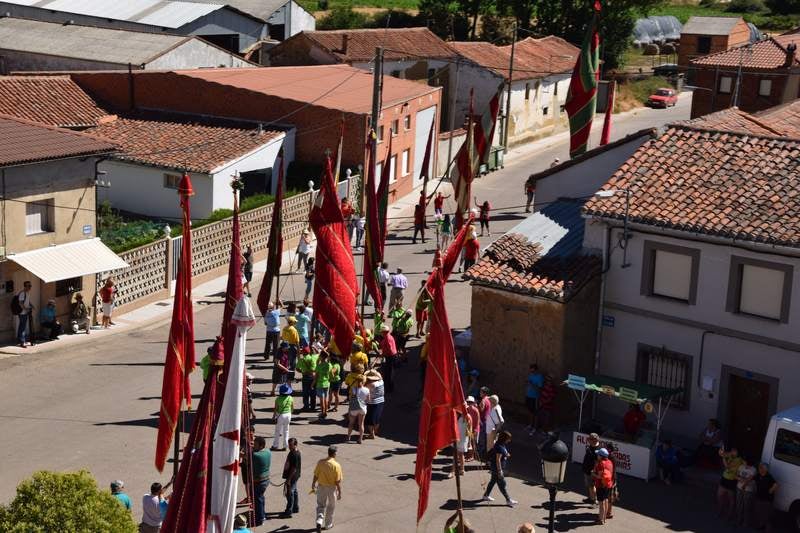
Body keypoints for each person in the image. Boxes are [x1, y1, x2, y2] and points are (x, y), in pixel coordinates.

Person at [482, 430, 517, 507]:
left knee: (492, 482)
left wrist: (506, 455)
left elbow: (501, 454)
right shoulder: (499, 447)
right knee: (502, 485)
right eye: (508, 438)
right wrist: (500, 471)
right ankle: (508, 500)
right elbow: (498, 459)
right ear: (504, 438)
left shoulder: (500, 444)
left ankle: (486, 495)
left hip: (495, 468)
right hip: (497, 469)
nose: (509, 440)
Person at [312, 445, 343, 533]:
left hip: (321, 486)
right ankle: (328, 524)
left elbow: (316, 475)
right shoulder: (336, 465)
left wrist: (313, 483)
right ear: (334, 454)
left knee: (321, 505)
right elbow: (337, 481)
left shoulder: (321, 462)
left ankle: (319, 520)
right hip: (331, 488)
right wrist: (340, 492)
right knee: (331, 506)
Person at [718, 447, 744, 520]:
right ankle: (720, 511)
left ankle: (729, 515)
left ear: (738, 452)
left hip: (732, 480)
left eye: (734, 451)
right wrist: (721, 452)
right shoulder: (730, 455)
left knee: (731, 499)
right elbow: (722, 454)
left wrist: (723, 457)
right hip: (724, 478)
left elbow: (727, 467)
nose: (732, 452)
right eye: (732, 450)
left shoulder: (739, 460)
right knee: (720, 496)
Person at [252, 436, 272, 526]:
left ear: (261, 446)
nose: (253, 446)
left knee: (257, 500)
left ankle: (259, 519)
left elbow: (249, 457)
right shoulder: (268, 452)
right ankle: (263, 515)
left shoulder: (255, 455)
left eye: (255, 445)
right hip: (266, 480)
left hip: (259, 481)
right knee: (261, 498)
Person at [593, 448, 615, 525]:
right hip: (608, 485)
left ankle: (601, 520)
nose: (597, 456)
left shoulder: (600, 464)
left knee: (601, 503)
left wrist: (593, 474)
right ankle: (604, 518)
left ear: (601, 456)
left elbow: (599, 476)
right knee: (605, 500)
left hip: (601, 485)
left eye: (598, 454)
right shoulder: (610, 462)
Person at [753, 462, 778, 531]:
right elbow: (751, 478)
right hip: (759, 498)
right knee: (759, 514)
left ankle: (767, 529)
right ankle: (761, 526)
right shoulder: (758, 475)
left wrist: (771, 490)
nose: (759, 469)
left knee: (767, 517)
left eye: (761, 468)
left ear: (765, 470)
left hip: (767, 501)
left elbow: (776, 484)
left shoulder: (769, 477)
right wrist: (745, 483)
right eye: (759, 467)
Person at [281, 437, 302, 518]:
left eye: (291, 445)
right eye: (289, 445)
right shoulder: (293, 452)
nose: (289, 446)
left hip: (292, 477)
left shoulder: (294, 454)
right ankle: (295, 508)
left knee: (290, 493)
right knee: (295, 491)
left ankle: (289, 511)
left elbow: (294, 468)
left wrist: (288, 479)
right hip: (295, 476)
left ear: (295, 445)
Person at [448, 408, 470, 478]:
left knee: (457, 454)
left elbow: (469, 430)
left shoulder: (468, 417)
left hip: (462, 438)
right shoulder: (458, 416)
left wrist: (469, 441)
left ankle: (452, 471)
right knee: (460, 454)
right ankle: (462, 470)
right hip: (457, 438)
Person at [347, 376, 369, 443]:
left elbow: (350, 399)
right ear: (364, 381)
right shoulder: (367, 390)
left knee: (351, 423)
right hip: (362, 408)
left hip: (354, 408)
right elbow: (368, 400)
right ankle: (360, 439)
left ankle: (348, 437)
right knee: (361, 424)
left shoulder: (354, 389)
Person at [735, 455, 756, 526]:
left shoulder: (753, 469)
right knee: (739, 504)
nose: (743, 461)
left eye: (744, 460)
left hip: (748, 490)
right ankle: (739, 519)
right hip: (739, 488)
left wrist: (742, 481)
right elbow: (736, 476)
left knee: (746, 506)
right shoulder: (741, 466)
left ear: (747, 461)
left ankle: (745, 521)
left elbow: (749, 479)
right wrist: (744, 481)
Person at [272, 383, 294, 451]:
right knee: (286, 431)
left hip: (280, 415)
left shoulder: (278, 399)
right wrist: (290, 413)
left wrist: (274, 416)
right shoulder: (290, 398)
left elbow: (276, 409)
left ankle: (275, 445)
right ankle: (285, 446)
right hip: (288, 415)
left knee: (277, 431)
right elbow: (292, 407)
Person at [364, 369, 385, 439]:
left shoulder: (371, 384)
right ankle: (375, 431)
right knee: (377, 418)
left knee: (370, 419)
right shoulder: (381, 381)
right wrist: (375, 373)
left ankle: (372, 434)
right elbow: (380, 376)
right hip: (381, 401)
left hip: (372, 403)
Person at [297, 347, 319, 412]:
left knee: (305, 393)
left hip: (305, 377)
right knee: (313, 392)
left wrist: (302, 372)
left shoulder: (302, 359)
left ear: (303, 352)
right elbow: (313, 370)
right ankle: (313, 406)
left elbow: (297, 368)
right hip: (312, 377)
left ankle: (306, 406)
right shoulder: (313, 358)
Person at [582, 433, 601, 504]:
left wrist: (594, 471)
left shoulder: (597, 450)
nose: (588, 440)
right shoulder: (592, 446)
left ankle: (594, 500)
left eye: (590, 439)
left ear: (594, 440)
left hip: (591, 471)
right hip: (588, 469)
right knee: (590, 486)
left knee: (591, 486)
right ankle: (591, 497)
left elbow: (597, 462)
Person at [525, 364, 544, 435]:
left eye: (533, 371)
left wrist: (531, 384)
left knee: (536, 412)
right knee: (530, 411)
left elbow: (540, 388)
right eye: (531, 371)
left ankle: (535, 428)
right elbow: (528, 383)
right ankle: (530, 425)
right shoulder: (531, 375)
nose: (532, 372)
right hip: (528, 395)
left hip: (535, 397)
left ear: (536, 370)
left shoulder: (540, 377)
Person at [313, 350, 332, 420]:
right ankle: (325, 411)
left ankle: (322, 413)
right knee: (326, 399)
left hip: (320, 384)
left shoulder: (319, 366)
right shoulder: (329, 365)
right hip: (327, 383)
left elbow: (316, 377)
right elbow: (331, 374)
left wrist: (312, 384)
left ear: (321, 357)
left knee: (321, 399)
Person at [14, 280, 33, 347]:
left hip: (24, 312)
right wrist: (26, 309)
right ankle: (22, 342)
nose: (30, 287)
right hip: (22, 313)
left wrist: (31, 305)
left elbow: (27, 301)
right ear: (25, 286)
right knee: (23, 327)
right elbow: (20, 303)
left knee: (21, 326)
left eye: (30, 286)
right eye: (29, 286)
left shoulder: (27, 293)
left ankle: (20, 340)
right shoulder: (22, 293)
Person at [477, 387, 491, 461]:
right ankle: (484, 453)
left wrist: (477, 407)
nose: (480, 393)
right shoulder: (489, 399)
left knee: (481, 438)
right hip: (487, 420)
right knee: (485, 438)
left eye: (481, 392)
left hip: (482, 420)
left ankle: (480, 454)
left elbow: (481, 410)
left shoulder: (483, 400)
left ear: (484, 393)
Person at [465, 396, 481, 461]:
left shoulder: (475, 410)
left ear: (473, 403)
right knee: (468, 442)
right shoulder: (467, 409)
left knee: (472, 443)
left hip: (474, 429)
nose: (469, 403)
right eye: (468, 402)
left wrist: (475, 430)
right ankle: (468, 455)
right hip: (468, 428)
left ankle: (471, 456)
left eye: (470, 402)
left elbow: (477, 421)